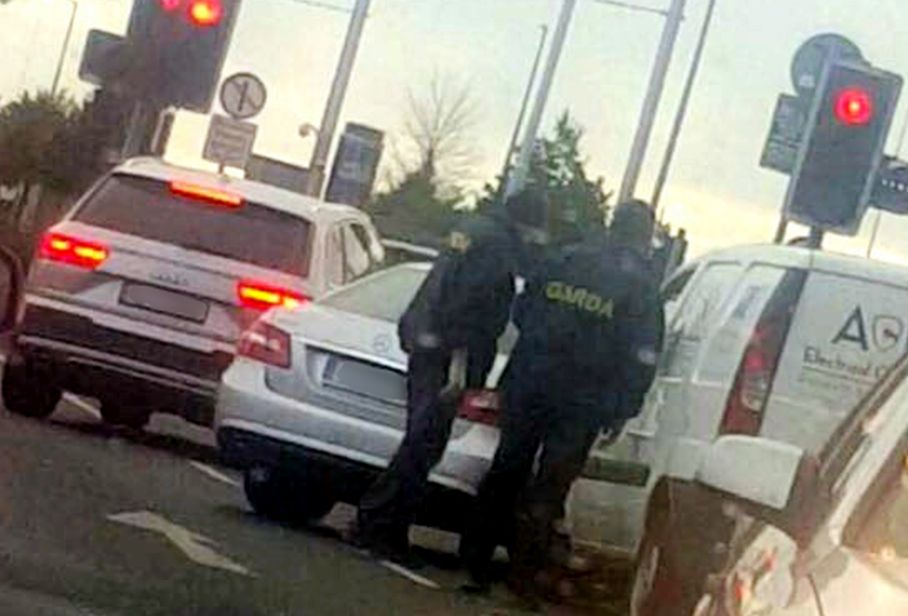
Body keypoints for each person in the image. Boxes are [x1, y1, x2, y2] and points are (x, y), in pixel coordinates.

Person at [460, 199, 665, 602]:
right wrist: (623, 407)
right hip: (583, 400)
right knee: (549, 487)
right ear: (644, 237)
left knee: (507, 469)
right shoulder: (641, 286)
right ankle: (523, 580)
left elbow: (522, 311)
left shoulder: (564, 259)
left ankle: (476, 562)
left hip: (530, 381)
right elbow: (643, 353)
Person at [354, 189, 549, 564]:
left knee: (419, 438)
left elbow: (441, 286)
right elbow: (475, 304)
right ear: (529, 223)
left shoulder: (472, 229)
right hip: (450, 353)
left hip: (427, 341)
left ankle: (381, 525)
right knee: (424, 442)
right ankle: (379, 526)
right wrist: (464, 362)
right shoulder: (498, 247)